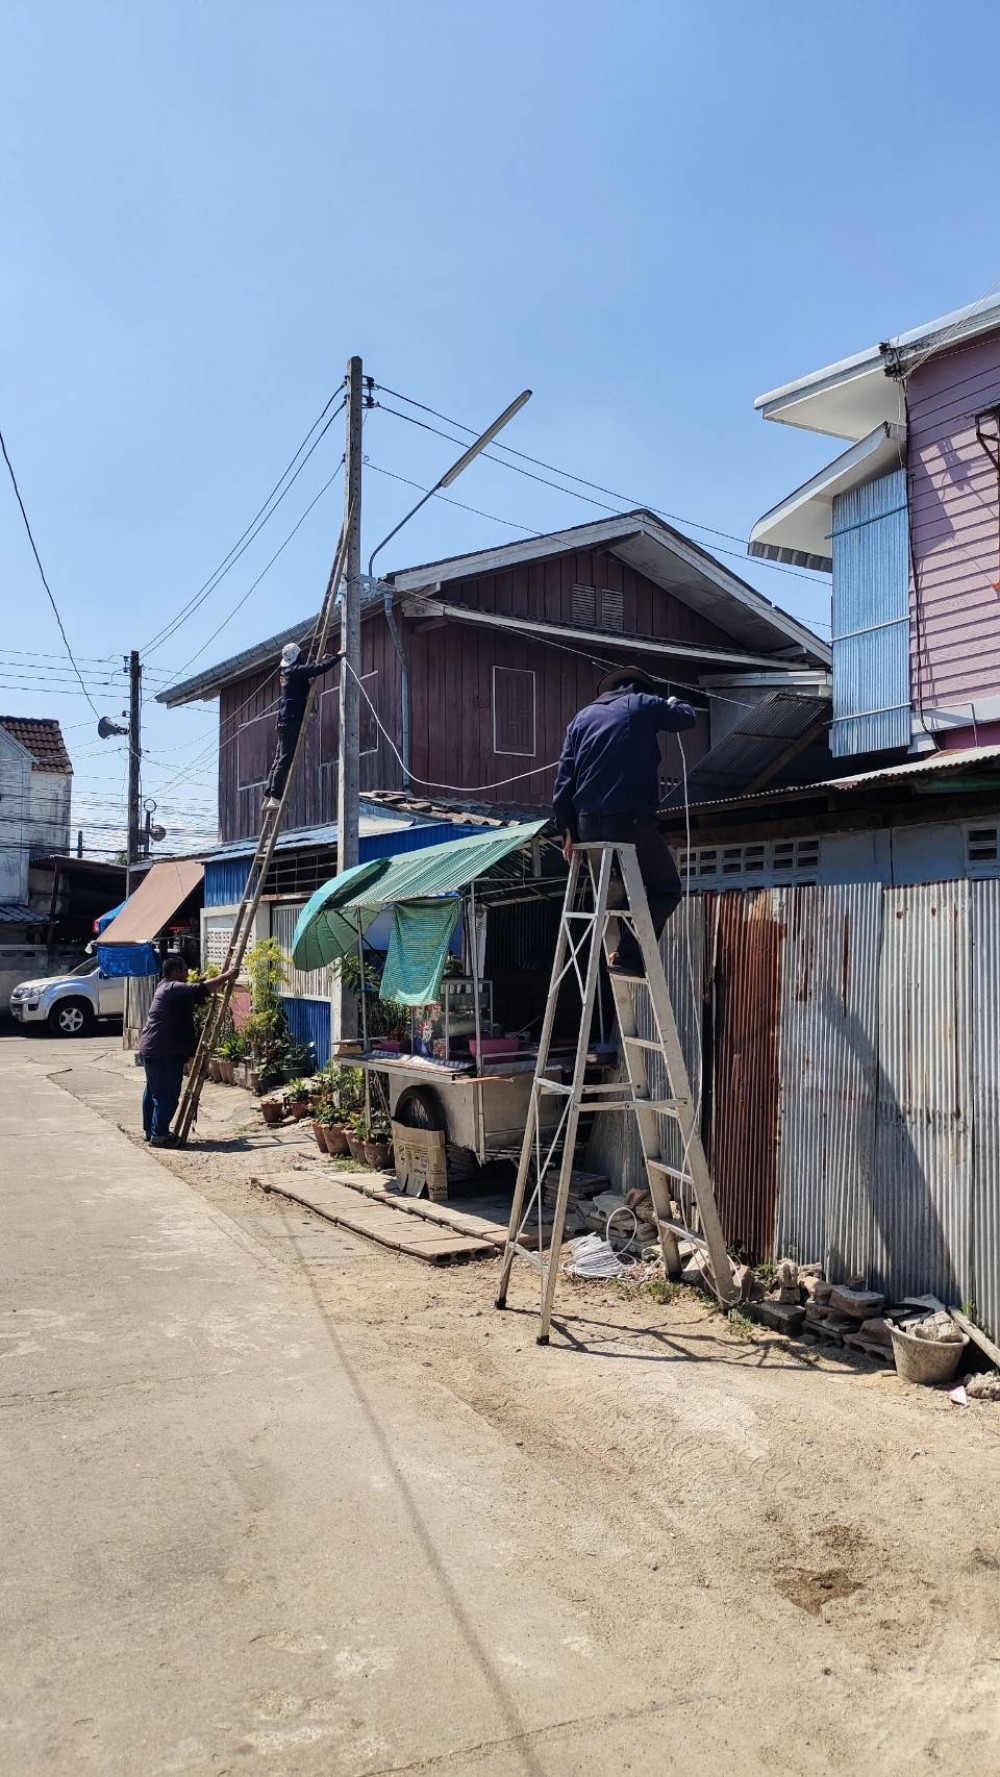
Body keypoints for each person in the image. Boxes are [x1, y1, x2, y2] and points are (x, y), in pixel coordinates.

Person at [552, 666, 698, 975]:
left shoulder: (580, 718)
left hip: (588, 825)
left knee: (617, 888)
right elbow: (687, 717)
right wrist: (672, 702)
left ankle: (619, 933)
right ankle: (628, 957)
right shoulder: (643, 703)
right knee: (665, 889)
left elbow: (564, 778)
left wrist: (566, 829)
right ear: (640, 688)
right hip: (628, 820)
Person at [138, 956, 239, 1146]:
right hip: (163, 1051)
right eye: (185, 969)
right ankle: (159, 1135)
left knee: (154, 1093)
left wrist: (210, 981)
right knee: (166, 1094)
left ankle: (152, 1131)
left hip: (153, 1048)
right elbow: (200, 990)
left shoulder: (165, 988)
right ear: (175, 971)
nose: (187, 973)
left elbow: (196, 994)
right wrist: (226, 976)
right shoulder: (172, 988)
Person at [262, 641, 342, 810]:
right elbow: (318, 669)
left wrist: (322, 660)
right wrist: (338, 656)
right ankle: (275, 797)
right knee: (285, 758)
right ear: (298, 656)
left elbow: (309, 669)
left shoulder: (288, 672)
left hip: (284, 720)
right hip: (290, 721)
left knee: (279, 759)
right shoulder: (294, 671)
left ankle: (269, 795)